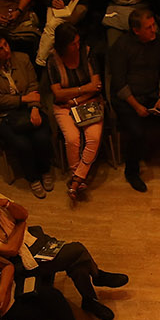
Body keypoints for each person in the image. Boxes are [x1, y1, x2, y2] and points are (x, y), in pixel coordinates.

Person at [0, 187, 127, 320]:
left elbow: (23, 213)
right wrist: (21, 224)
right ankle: (96, 277)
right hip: (21, 260)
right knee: (77, 250)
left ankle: (90, 300)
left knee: (77, 262)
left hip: (31, 238)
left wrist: (5, 203)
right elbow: (11, 249)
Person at [0, 28, 56, 196]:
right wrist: (23, 99)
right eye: (0, 48)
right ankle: (32, 177)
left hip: (29, 107)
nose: (7, 50)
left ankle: (45, 169)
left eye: (6, 44)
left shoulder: (23, 59)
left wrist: (34, 107)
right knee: (22, 144)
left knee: (41, 136)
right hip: (4, 115)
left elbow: (34, 86)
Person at [110, 7, 160, 191]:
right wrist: (136, 106)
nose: (153, 30)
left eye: (153, 26)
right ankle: (132, 172)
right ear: (136, 30)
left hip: (152, 95)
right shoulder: (121, 46)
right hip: (128, 100)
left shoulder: (158, 41)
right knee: (137, 132)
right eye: (148, 27)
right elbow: (119, 82)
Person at [45, 23, 106, 201]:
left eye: (78, 42)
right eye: (73, 44)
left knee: (93, 137)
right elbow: (57, 93)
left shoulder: (87, 53)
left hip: (89, 103)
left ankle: (76, 179)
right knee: (72, 139)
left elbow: (97, 86)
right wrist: (83, 89)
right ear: (63, 46)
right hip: (64, 107)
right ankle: (77, 176)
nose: (77, 46)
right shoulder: (53, 61)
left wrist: (74, 97)